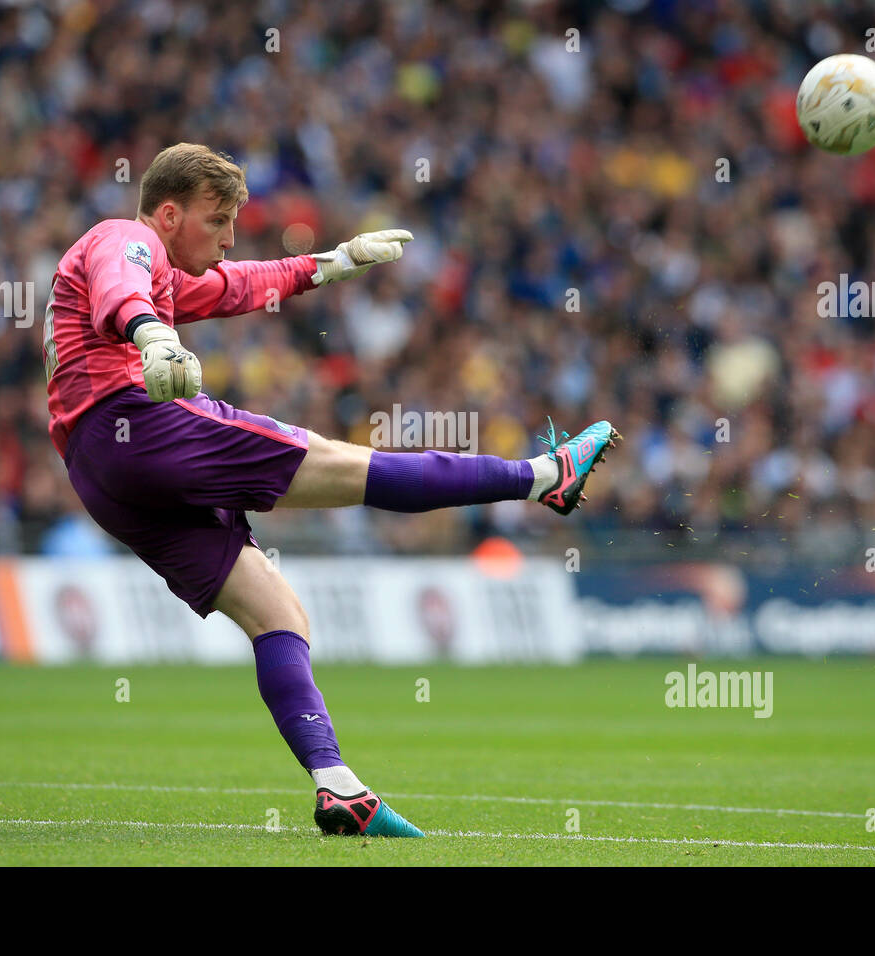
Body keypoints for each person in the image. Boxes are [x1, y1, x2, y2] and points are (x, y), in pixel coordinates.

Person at [44, 142, 618, 838]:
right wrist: (153, 336)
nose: (227, 237)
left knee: (275, 611)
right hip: (132, 423)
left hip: (101, 475)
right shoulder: (126, 238)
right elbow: (119, 288)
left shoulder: (163, 268)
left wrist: (336, 261)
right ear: (168, 214)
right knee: (347, 466)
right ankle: (543, 478)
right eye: (216, 219)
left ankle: (337, 787)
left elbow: (240, 284)